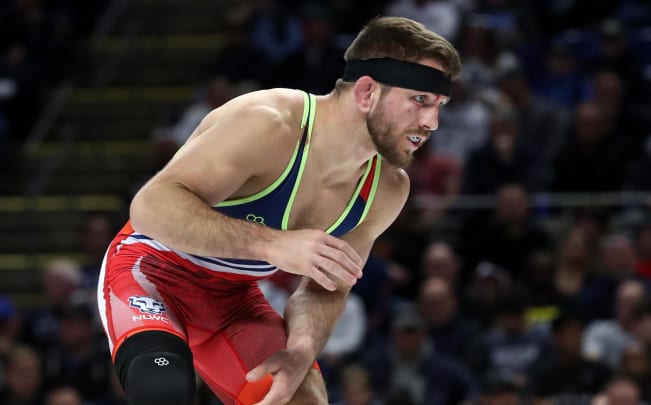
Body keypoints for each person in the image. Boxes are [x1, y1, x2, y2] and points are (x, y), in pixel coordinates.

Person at [96, 15, 461, 405]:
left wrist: (302, 350)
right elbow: (151, 207)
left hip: (232, 300)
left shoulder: (387, 188)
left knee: (298, 395)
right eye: (420, 100)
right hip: (149, 271)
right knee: (164, 390)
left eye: (439, 106)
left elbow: (328, 285)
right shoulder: (270, 123)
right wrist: (274, 245)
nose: (432, 122)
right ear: (367, 92)